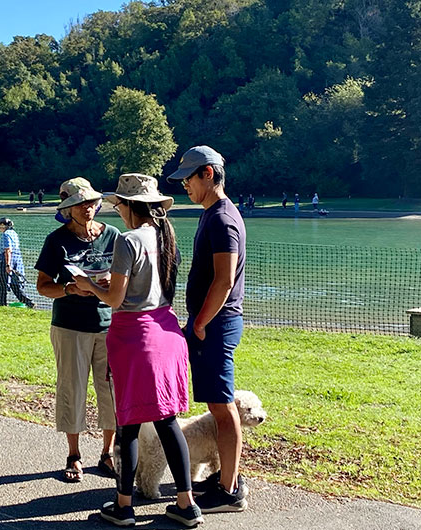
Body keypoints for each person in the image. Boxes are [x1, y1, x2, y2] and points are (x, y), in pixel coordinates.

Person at [74, 173, 203, 528]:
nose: (117, 212)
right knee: (166, 421)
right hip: (166, 332)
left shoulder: (128, 240)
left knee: (128, 423)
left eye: (118, 206)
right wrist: (109, 283)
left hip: (135, 338)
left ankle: (124, 506)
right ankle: (186, 504)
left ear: (131, 206)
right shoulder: (165, 237)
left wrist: (88, 284)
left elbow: (116, 299)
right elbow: (149, 283)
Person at [166, 145, 248, 513]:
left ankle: (228, 490)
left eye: (189, 177)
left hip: (216, 325)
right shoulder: (212, 214)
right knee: (218, 404)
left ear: (209, 174)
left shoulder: (222, 219)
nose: (185, 185)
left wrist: (200, 322)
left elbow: (225, 280)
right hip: (212, 325)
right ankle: (228, 478)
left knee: (222, 405)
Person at [34, 177, 118, 484]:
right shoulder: (56, 241)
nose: (88, 208)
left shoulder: (113, 235)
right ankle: (74, 455)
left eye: (92, 202)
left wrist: (113, 285)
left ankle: (108, 453)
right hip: (70, 328)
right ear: (67, 209)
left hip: (110, 326)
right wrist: (69, 289)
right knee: (72, 389)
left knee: (110, 390)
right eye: (79, 204)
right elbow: (43, 287)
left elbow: (129, 276)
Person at [0, 217, 34, 308]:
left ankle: (2, 304)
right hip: (17, 259)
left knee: (2, 284)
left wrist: (7, 264)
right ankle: (28, 302)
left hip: (6, 260)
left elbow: (8, 250)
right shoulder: (14, 233)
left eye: (0, 225)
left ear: (3, 225)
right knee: (15, 284)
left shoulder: (6, 234)